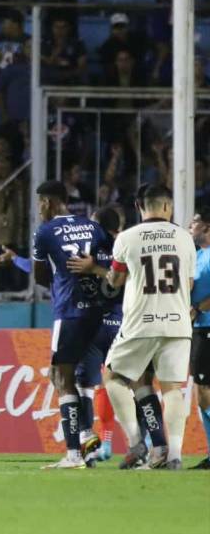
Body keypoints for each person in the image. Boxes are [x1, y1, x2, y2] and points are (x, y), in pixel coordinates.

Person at [100, 185, 197, 471]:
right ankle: (175, 455)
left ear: (140, 207)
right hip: (178, 322)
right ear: (168, 207)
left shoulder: (127, 238)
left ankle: (135, 442)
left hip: (140, 321)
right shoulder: (185, 238)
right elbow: (188, 284)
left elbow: (114, 281)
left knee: (113, 377)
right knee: (172, 389)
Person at [29, 181, 114, 470]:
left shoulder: (45, 232)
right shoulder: (93, 227)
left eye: (40, 203)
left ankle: (75, 452)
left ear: (49, 202)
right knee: (81, 379)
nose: (39, 208)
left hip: (68, 311)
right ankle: (86, 438)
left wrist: (61, 282)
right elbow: (114, 263)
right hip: (99, 312)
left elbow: (40, 275)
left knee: (60, 376)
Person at [64, 206, 125, 465]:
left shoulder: (84, 251)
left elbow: (65, 279)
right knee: (132, 385)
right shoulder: (126, 248)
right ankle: (144, 444)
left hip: (92, 325)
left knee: (85, 386)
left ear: (95, 224)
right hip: (122, 325)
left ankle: (88, 444)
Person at [189, 208, 210, 470]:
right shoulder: (197, 255)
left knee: (204, 393)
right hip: (198, 329)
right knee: (201, 392)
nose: (190, 226)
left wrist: (198, 309)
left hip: (207, 327)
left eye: (195, 222)